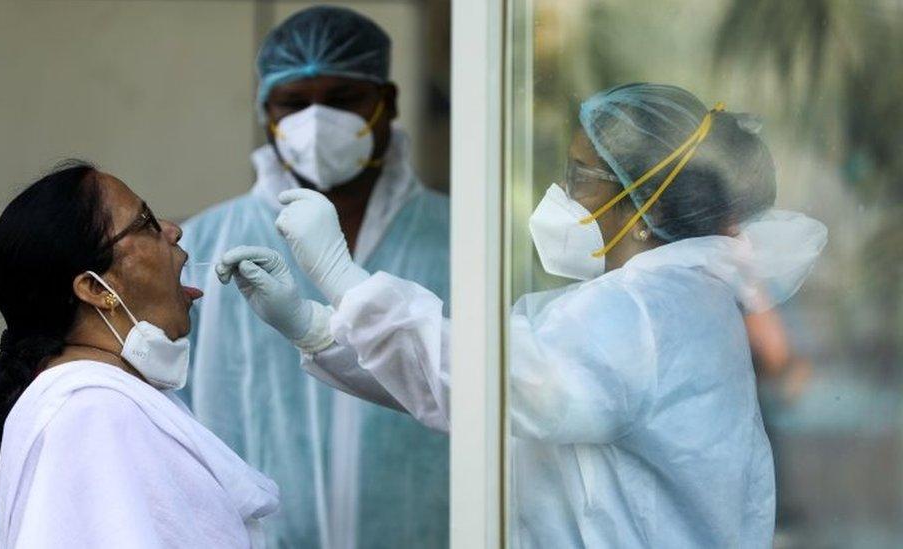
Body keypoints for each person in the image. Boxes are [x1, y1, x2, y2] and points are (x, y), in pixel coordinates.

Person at [218, 83, 828, 547]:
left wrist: (344, 280)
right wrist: (317, 328)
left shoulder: (646, 314)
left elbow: (489, 388)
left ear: (641, 204)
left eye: (581, 175)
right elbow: (474, 386)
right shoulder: (664, 302)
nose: (562, 192)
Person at [179, 6, 449, 548]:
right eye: (295, 103)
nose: (318, 121)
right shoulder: (203, 245)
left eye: (343, 99)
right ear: (266, 112)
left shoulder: (463, 237)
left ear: (387, 102)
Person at [0, 162, 278, 548]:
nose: (173, 230)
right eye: (146, 223)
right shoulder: (91, 412)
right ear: (95, 289)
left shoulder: (106, 400)